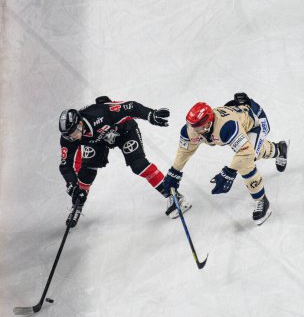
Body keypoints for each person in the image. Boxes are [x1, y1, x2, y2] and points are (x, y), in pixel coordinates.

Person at [59, 96, 191, 227]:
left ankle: (174, 196)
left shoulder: (100, 114)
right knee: (86, 173)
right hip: (98, 141)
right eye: (68, 135)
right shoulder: (69, 138)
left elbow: (131, 107)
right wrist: (72, 185)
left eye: (74, 132)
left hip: (124, 131)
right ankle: (78, 204)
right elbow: (66, 165)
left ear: (80, 123)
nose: (72, 137)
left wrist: (151, 114)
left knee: (139, 164)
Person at [163, 92, 289, 225]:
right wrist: (174, 172)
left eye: (198, 126)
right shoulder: (191, 129)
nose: (194, 130)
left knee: (247, 162)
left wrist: (229, 172)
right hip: (238, 118)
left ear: (209, 122)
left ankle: (262, 200)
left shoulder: (226, 127)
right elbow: (185, 150)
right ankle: (280, 149)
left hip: (255, 121)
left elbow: (246, 154)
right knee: (247, 155)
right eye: (192, 125)